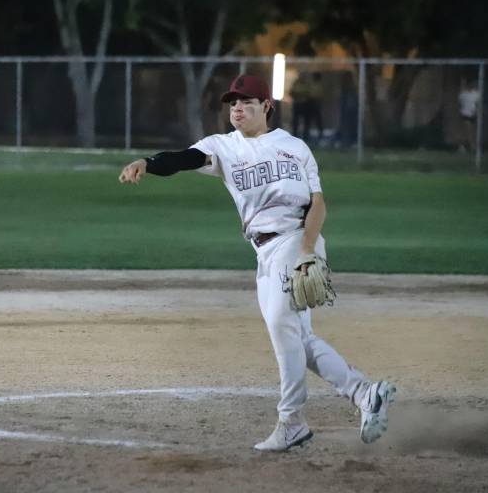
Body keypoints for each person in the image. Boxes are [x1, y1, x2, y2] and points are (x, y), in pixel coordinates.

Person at [119, 74, 396, 452]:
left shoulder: (294, 147)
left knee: (283, 329)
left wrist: (306, 249)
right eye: (233, 102)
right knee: (299, 337)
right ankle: (366, 394)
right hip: (264, 252)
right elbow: (183, 159)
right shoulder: (223, 147)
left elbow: (318, 203)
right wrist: (147, 163)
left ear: (267, 106)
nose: (237, 108)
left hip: (295, 240)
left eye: (247, 101)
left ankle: (292, 421)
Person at [290, 71, 324, 143]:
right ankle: (295, 137)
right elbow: (292, 92)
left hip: (306, 105)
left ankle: (307, 137)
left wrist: (302, 94)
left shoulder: (307, 84)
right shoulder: (296, 83)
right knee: (296, 122)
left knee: (308, 122)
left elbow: (311, 94)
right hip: (297, 105)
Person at [457, 79, 480, 153]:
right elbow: (460, 104)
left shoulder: (476, 94)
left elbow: (478, 104)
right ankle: (471, 146)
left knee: (470, 131)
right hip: (465, 114)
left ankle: (463, 146)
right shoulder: (463, 94)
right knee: (467, 130)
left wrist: (476, 111)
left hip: (473, 114)